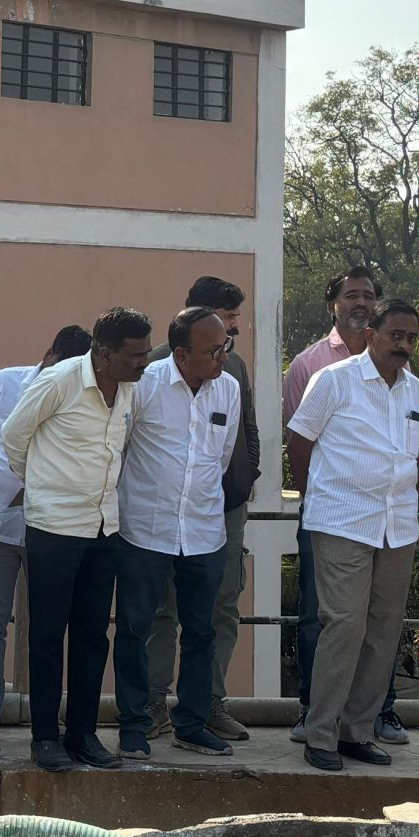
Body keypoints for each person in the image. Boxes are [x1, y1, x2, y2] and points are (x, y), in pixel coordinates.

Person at [3, 308, 152, 772]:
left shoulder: (129, 387)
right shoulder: (59, 381)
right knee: (48, 635)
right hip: (54, 527)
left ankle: (82, 734)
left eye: (146, 353)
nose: (144, 363)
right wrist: (43, 486)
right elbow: (13, 437)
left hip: (104, 527)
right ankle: (45, 738)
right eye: (135, 355)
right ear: (104, 354)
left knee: (92, 635)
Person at [285, 298, 419, 771]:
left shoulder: (413, 388)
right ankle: (320, 734)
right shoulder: (334, 379)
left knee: (383, 630)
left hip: (397, 525)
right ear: (371, 334)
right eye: (395, 335)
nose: (403, 345)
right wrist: (314, 499)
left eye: (411, 338)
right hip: (341, 521)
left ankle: (356, 732)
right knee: (344, 625)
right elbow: (299, 442)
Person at [116, 307, 243, 760]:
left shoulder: (228, 389)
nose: (223, 357)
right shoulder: (145, 385)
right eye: (213, 350)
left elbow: (222, 458)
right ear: (181, 354)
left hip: (204, 532)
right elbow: (119, 448)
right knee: (135, 629)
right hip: (144, 531)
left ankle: (191, 723)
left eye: (225, 346)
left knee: (202, 632)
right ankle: (134, 725)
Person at [140, 276, 258, 744]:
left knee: (218, 609)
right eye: (224, 319)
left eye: (232, 322)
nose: (232, 332)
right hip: (160, 515)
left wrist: (245, 480)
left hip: (219, 510)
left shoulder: (233, 370)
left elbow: (243, 433)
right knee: (160, 611)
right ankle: (152, 704)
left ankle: (208, 704)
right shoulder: (151, 369)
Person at [0, 325, 89, 742]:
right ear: (48, 353)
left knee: (50, 627)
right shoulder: (5, 382)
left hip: (54, 531)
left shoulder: (82, 394)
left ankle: (46, 718)